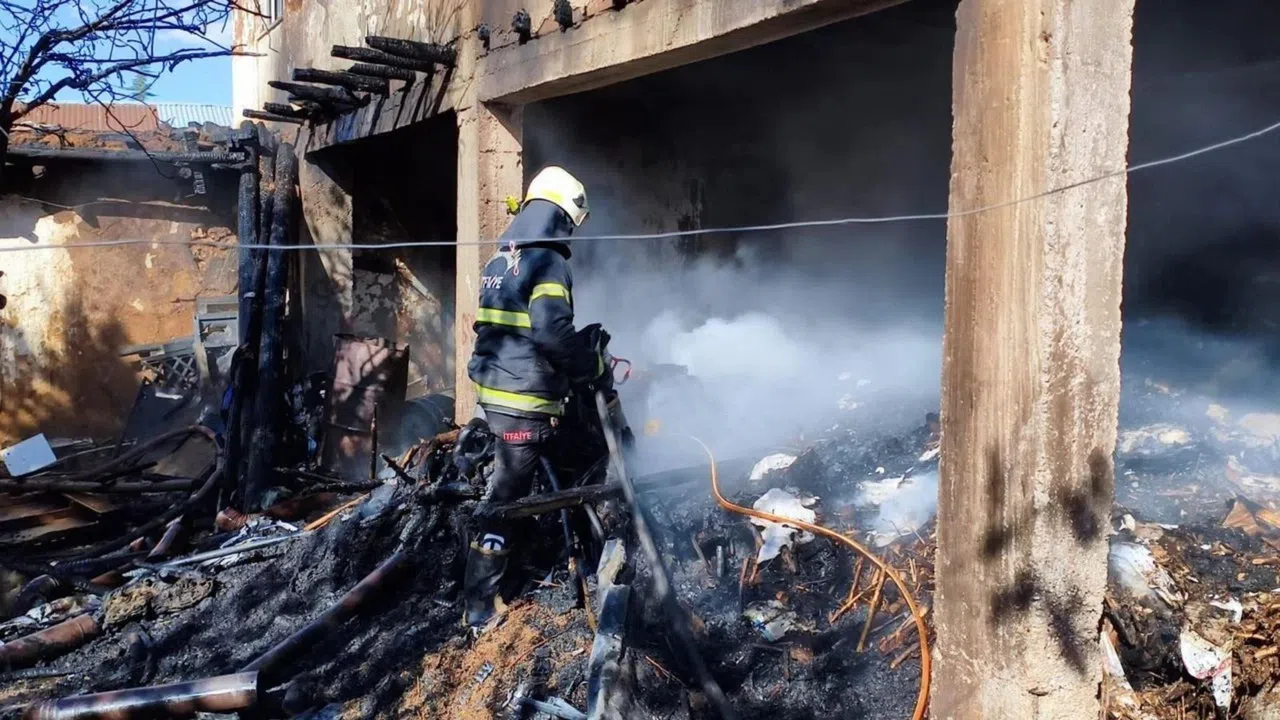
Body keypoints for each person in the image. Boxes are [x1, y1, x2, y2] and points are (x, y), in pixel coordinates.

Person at [462, 166, 605, 627]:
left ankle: (519, 561)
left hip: (495, 390)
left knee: (525, 479)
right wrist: (590, 365)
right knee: (506, 498)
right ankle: (480, 607)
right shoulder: (548, 262)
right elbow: (551, 333)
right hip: (523, 398)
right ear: (561, 216)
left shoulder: (500, 258)